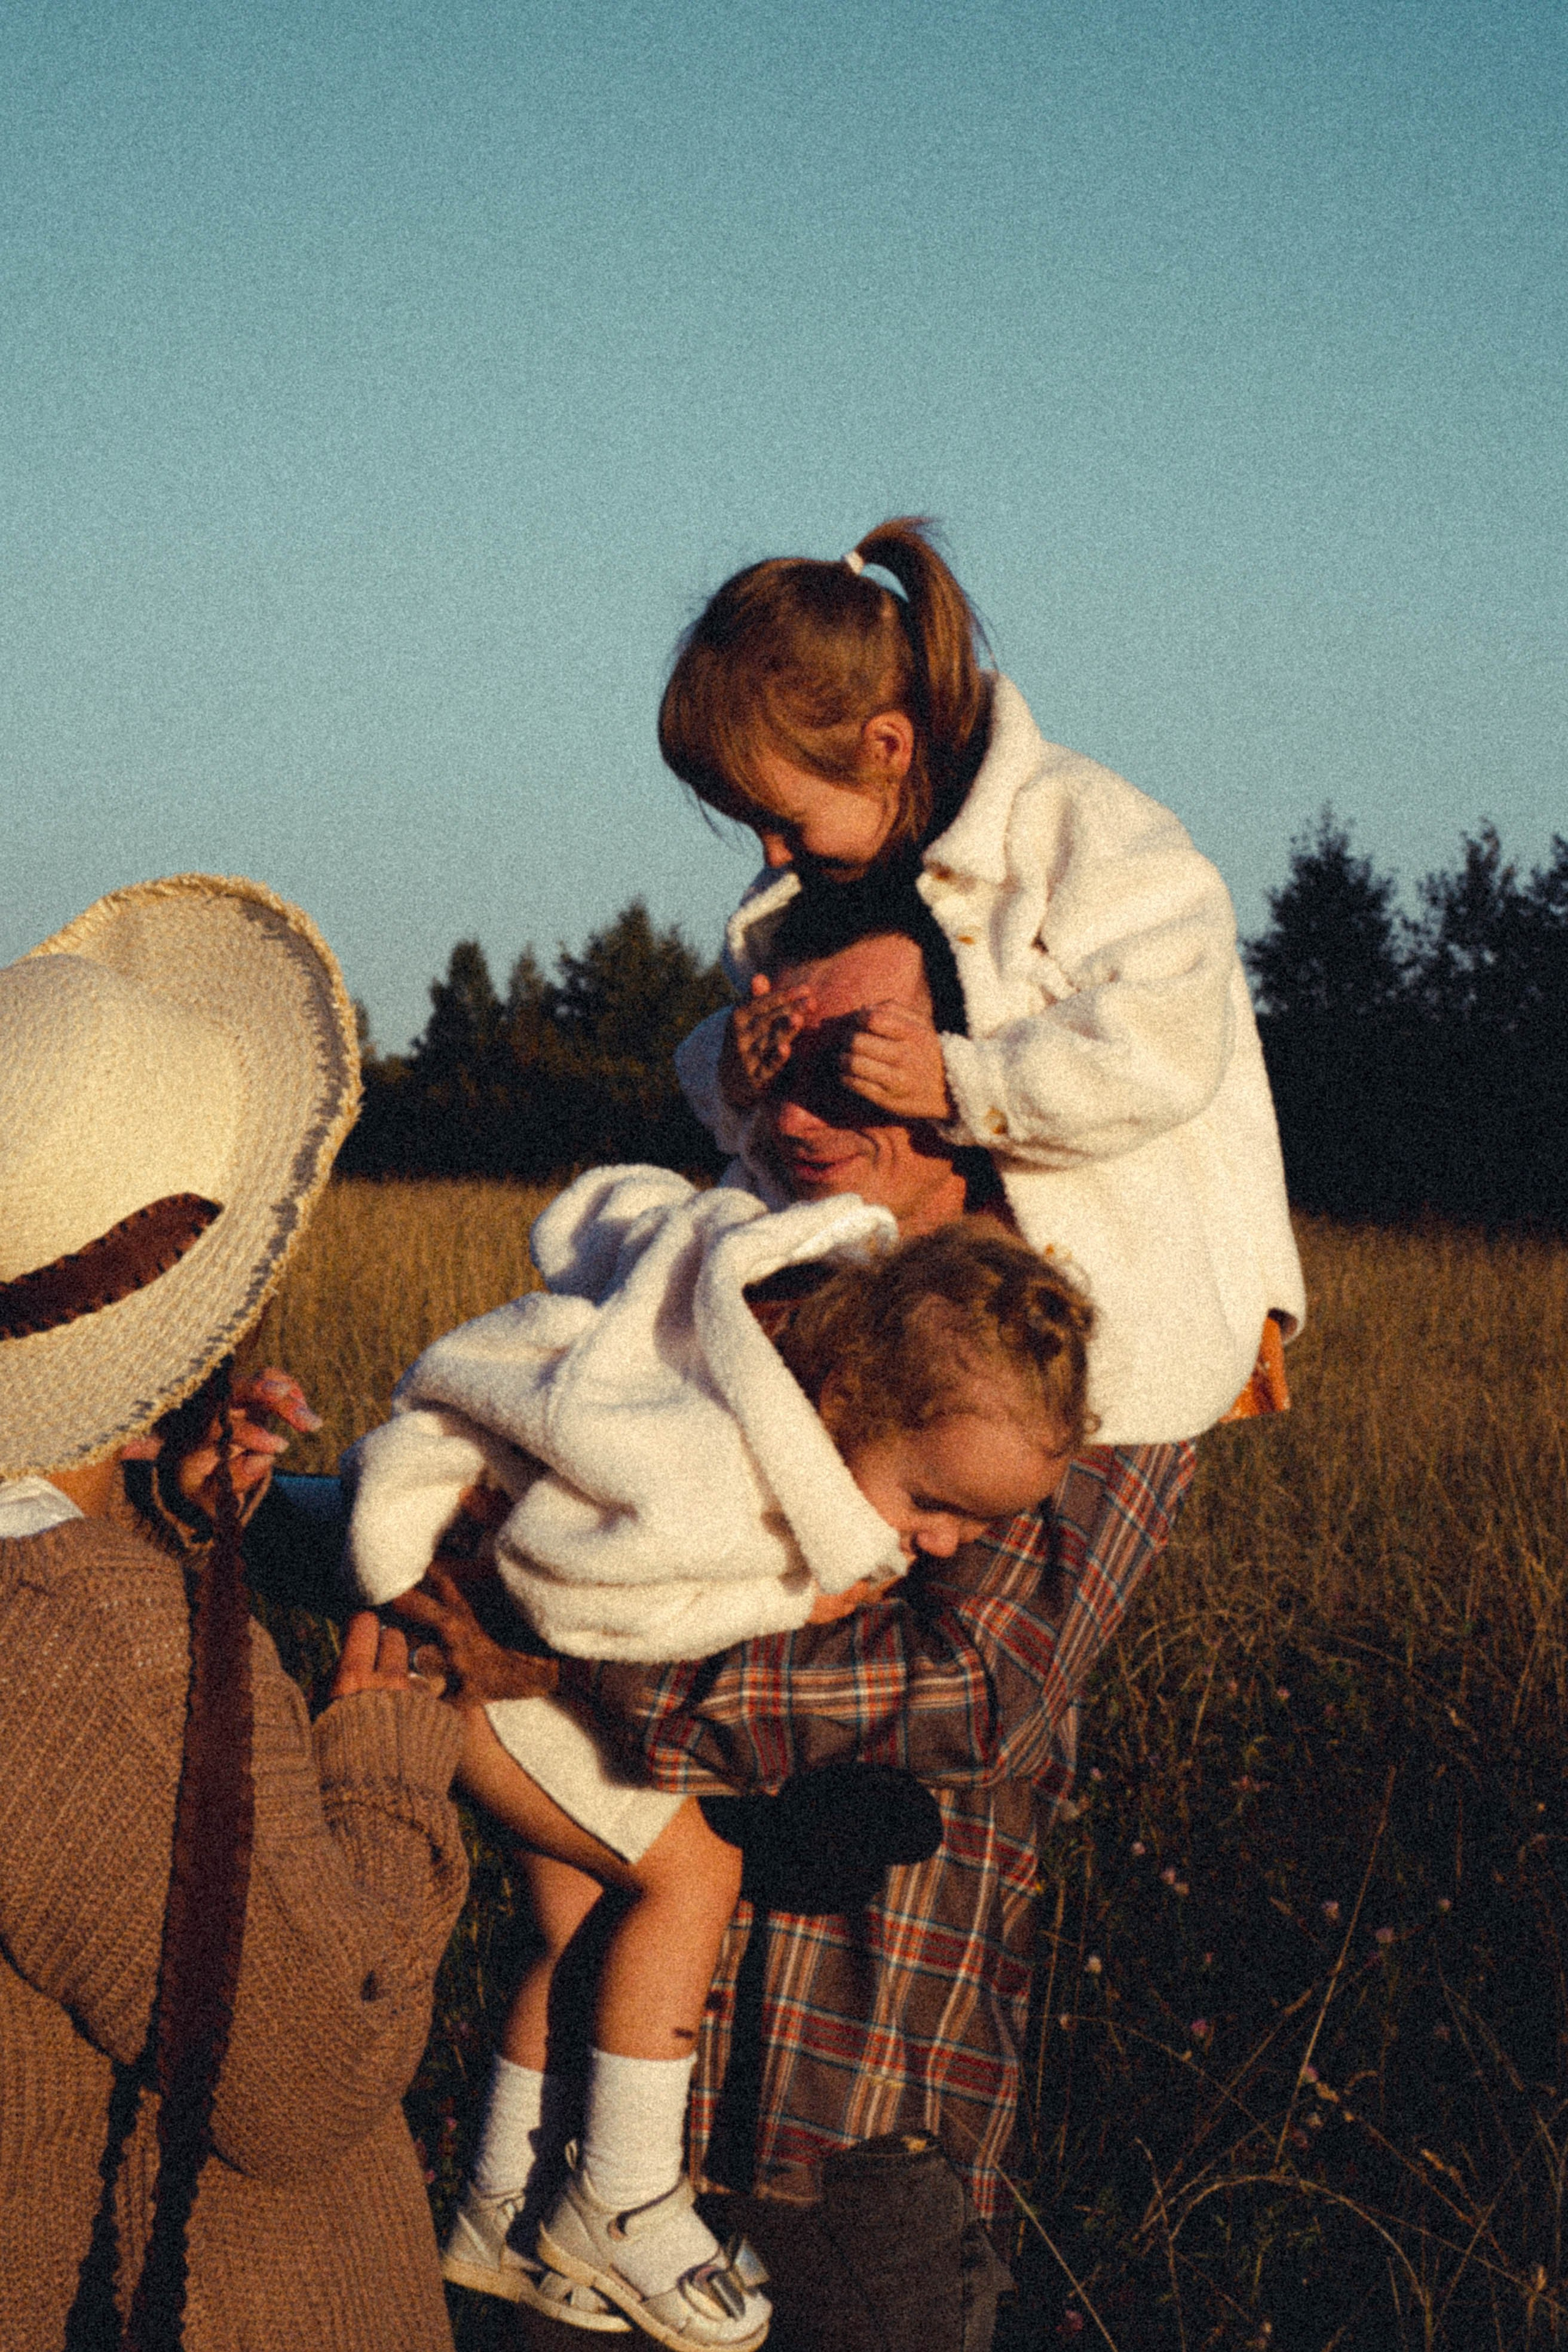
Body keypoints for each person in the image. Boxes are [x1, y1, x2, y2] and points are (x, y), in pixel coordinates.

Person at [410, 920, 1204, 2352]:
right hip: (611, 2096)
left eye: (853, 1073)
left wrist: (561, 1651)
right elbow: (490, 1495)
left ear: (971, 1076)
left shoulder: (1072, 1348)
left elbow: (970, 1686)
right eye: (770, 1065)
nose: (791, 1119)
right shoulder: (708, 1294)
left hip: (846, 2119)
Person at [347, 1177, 1093, 2349]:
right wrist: (792, 1592)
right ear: (844, 1398)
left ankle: (499, 2210)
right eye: (933, 1504)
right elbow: (562, 1581)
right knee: (692, 1879)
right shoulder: (710, 1466)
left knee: (585, 1939)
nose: (940, 1542)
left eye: (975, 1529)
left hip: (496, 1694)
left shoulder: (803, 1426)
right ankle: (622, 2197)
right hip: (485, 1690)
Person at [0, 875, 470, 2352]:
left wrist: (160, 1513)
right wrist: (387, 1770)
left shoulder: (79, 1582)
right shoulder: (93, 1641)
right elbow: (308, 2073)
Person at [661, 515, 1305, 1441]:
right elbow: (762, 1098)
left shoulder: (1082, 828)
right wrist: (729, 1062)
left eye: (783, 818)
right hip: (923, 1315)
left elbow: (1166, 1039)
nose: (770, 851)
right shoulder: (818, 881)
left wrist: (965, 1084)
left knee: (1022, 1574)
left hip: (1121, 1292)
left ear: (887, 745)